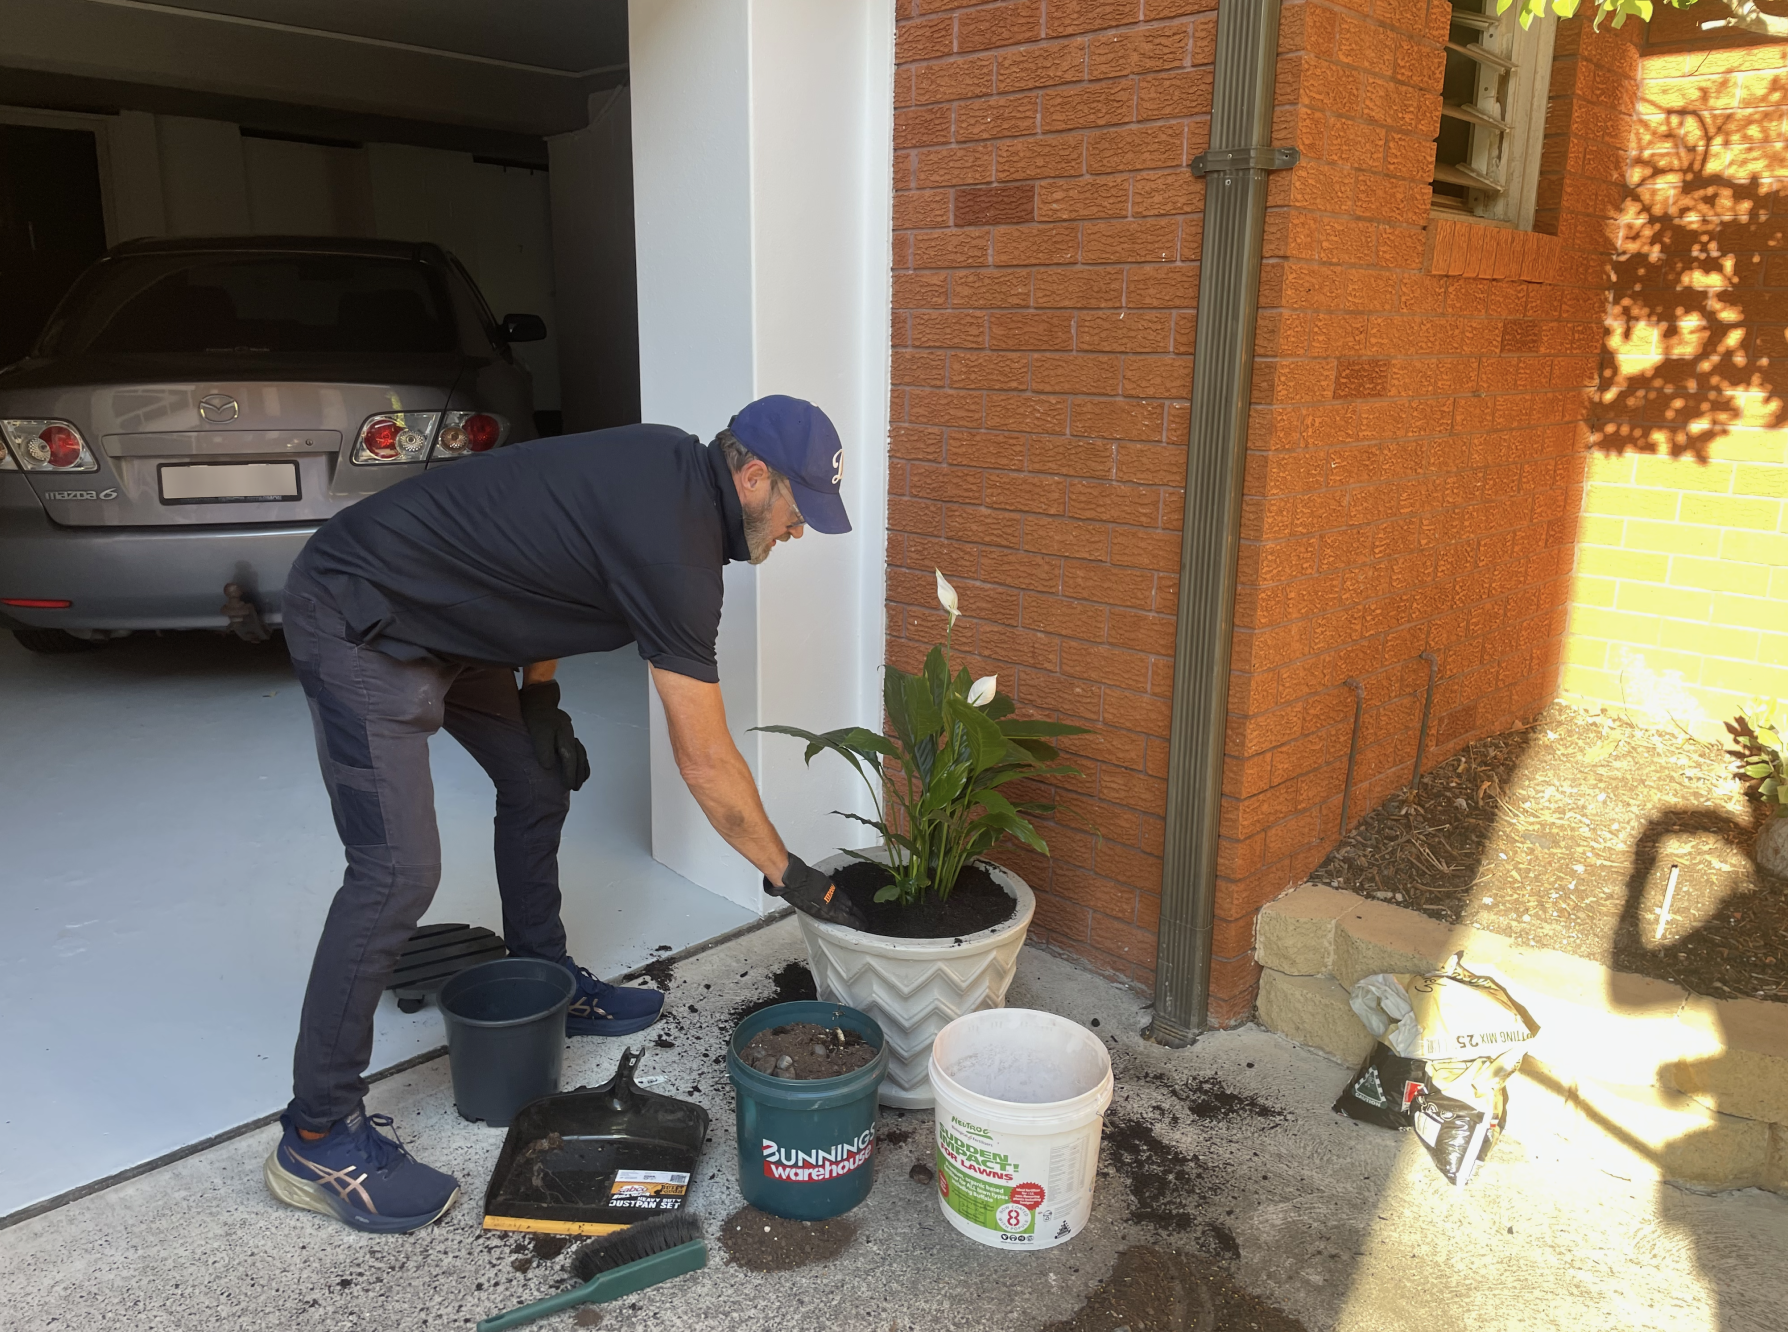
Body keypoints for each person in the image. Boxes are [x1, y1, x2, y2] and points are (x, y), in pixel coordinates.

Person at [262, 395, 866, 1233]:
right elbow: (705, 759)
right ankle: (318, 1132)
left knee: (538, 779)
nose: (800, 532)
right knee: (396, 871)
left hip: (457, 623)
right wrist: (795, 877)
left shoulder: (673, 473)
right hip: (363, 613)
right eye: (801, 510)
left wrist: (538, 692)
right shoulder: (679, 552)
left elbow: (547, 559)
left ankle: (549, 983)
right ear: (754, 476)